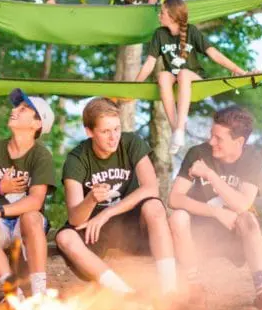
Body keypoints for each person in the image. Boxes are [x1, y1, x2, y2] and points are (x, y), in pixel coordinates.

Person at [55, 97, 177, 295]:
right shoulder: (76, 159)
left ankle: (170, 291)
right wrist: (91, 199)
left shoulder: (131, 143)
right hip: (95, 228)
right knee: (65, 237)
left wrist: (108, 212)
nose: (113, 137)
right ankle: (124, 293)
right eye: (105, 131)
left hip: (130, 221)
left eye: (116, 129)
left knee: (154, 206)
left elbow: (151, 188)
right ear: (89, 132)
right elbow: (75, 218)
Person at [167, 106, 262, 310]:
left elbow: (242, 204)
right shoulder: (198, 153)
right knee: (177, 217)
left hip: (235, 233)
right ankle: (195, 288)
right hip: (199, 234)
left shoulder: (252, 160)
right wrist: (215, 212)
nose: (211, 142)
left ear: (238, 142)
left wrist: (210, 176)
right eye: (211, 135)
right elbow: (175, 199)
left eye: (218, 138)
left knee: (249, 218)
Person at [134, 0, 247, 155]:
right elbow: (149, 63)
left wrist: (239, 70)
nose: (159, 15)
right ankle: (177, 131)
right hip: (174, 81)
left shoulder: (191, 31)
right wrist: (135, 86)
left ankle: (180, 127)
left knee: (183, 73)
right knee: (162, 76)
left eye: (162, 13)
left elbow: (213, 54)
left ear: (172, 16)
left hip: (194, 79)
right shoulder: (159, 34)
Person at [0, 89, 56, 298]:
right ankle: (13, 293)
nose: (15, 110)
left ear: (37, 124)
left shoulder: (41, 155)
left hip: (27, 226)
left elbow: (36, 201)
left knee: (30, 216)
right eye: (17, 106)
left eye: (24, 108)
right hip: (1, 225)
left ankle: (40, 294)